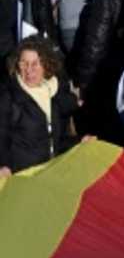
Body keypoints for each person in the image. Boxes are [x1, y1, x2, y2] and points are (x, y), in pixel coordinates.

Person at [0, 36, 77, 175]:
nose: (29, 70)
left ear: (46, 65)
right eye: (24, 63)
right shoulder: (9, 96)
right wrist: (3, 165)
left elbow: (58, 140)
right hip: (22, 178)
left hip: (52, 173)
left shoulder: (54, 93)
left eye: (35, 63)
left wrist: (79, 142)